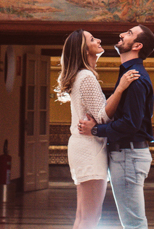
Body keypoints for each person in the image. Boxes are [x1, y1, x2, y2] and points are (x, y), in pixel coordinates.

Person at [55, 29, 141, 229]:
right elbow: (102, 116)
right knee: (91, 218)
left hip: (81, 147)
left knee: (83, 216)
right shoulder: (86, 77)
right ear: (84, 50)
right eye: (92, 39)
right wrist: (120, 88)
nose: (99, 40)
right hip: (89, 149)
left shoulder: (81, 76)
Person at [78, 24, 154, 229]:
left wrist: (95, 130)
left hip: (128, 155)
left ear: (137, 45)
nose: (121, 34)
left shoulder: (135, 77)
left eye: (129, 33)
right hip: (127, 155)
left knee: (133, 223)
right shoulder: (129, 74)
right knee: (132, 221)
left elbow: (131, 124)